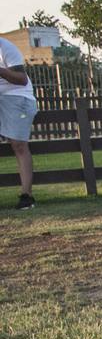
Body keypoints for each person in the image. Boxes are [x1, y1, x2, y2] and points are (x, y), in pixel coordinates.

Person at [0, 35, 38, 210]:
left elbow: (21, 79)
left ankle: (27, 196)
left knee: (18, 145)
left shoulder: (6, 48)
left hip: (16, 96)